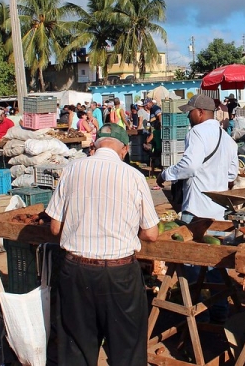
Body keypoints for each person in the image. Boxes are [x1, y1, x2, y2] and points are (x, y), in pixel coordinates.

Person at [46, 123, 159, 366]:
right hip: (119, 273)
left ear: (95, 146)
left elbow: (55, 228)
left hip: (76, 271)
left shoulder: (72, 169)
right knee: (126, 349)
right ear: (124, 150)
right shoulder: (134, 176)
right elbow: (151, 233)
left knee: (77, 346)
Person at [156, 94, 238, 323]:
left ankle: (195, 312)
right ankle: (220, 312)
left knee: (190, 262)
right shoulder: (227, 138)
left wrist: (166, 174)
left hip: (197, 208)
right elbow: (232, 174)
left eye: (190, 111)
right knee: (215, 262)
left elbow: (189, 166)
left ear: (201, 112)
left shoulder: (197, 133)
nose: (187, 115)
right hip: (218, 211)